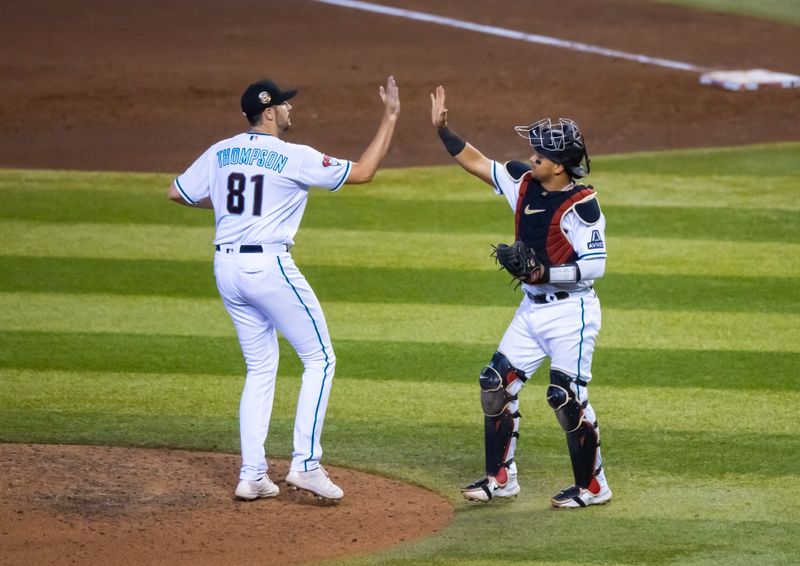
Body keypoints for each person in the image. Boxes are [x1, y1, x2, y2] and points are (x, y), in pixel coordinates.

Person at [168, 76, 400, 501]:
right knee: (321, 358)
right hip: (268, 265)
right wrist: (389, 118)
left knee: (260, 367)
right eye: (286, 105)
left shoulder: (220, 151)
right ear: (270, 112)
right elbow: (364, 173)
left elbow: (178, 193)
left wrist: (227, 207)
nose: (292, 110)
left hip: (226, 267)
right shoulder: (293, 156)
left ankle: (253, 474)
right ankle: (306, 464)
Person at [430, 85, 612, 508]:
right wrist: (443, 130)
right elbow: (477, 163)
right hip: (531, 309)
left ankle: (594, 486)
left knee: (565, 399)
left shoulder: (582, 207)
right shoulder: (522, 182)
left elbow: (596, 265)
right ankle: (501, 477)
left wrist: (545, 271)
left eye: (541, 155)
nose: (532, 158)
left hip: (573, 312)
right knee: (494, 385)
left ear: (562, 165)